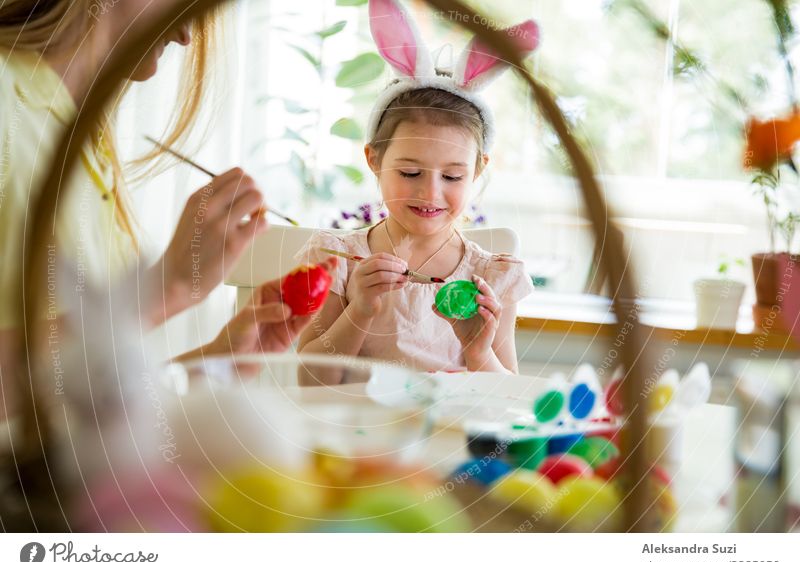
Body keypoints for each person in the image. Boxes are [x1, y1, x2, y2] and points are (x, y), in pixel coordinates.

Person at [0, 1, 329, 421]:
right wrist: (162, 290)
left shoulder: (85, 140)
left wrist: (216, 363)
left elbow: (88, 416)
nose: (186, 34)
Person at [297, 0, 538, 374]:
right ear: (374, 160)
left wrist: (478, 354)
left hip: (449, 432)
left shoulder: (492, 278)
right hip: (356, 429)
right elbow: (313, 381)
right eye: (410, 173)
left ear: (477, 171)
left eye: (453, 177)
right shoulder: (337, 260)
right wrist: (359, 309)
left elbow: (505, 399)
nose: (430, 193)